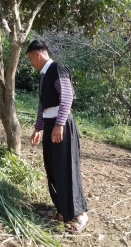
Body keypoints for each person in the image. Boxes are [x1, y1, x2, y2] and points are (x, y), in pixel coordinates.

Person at [27, 40, 88, 233]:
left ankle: (80, 215)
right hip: (50, 125)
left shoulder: (57, 69)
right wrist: (38, 128)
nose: (31, 63)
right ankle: (61, 211)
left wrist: (60, 124)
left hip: (61, 126)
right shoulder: (44, 75)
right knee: (52, 168)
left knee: (66, 168)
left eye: (30, 59)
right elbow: (42, 104)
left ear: (38, 54)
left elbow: (67, 97)